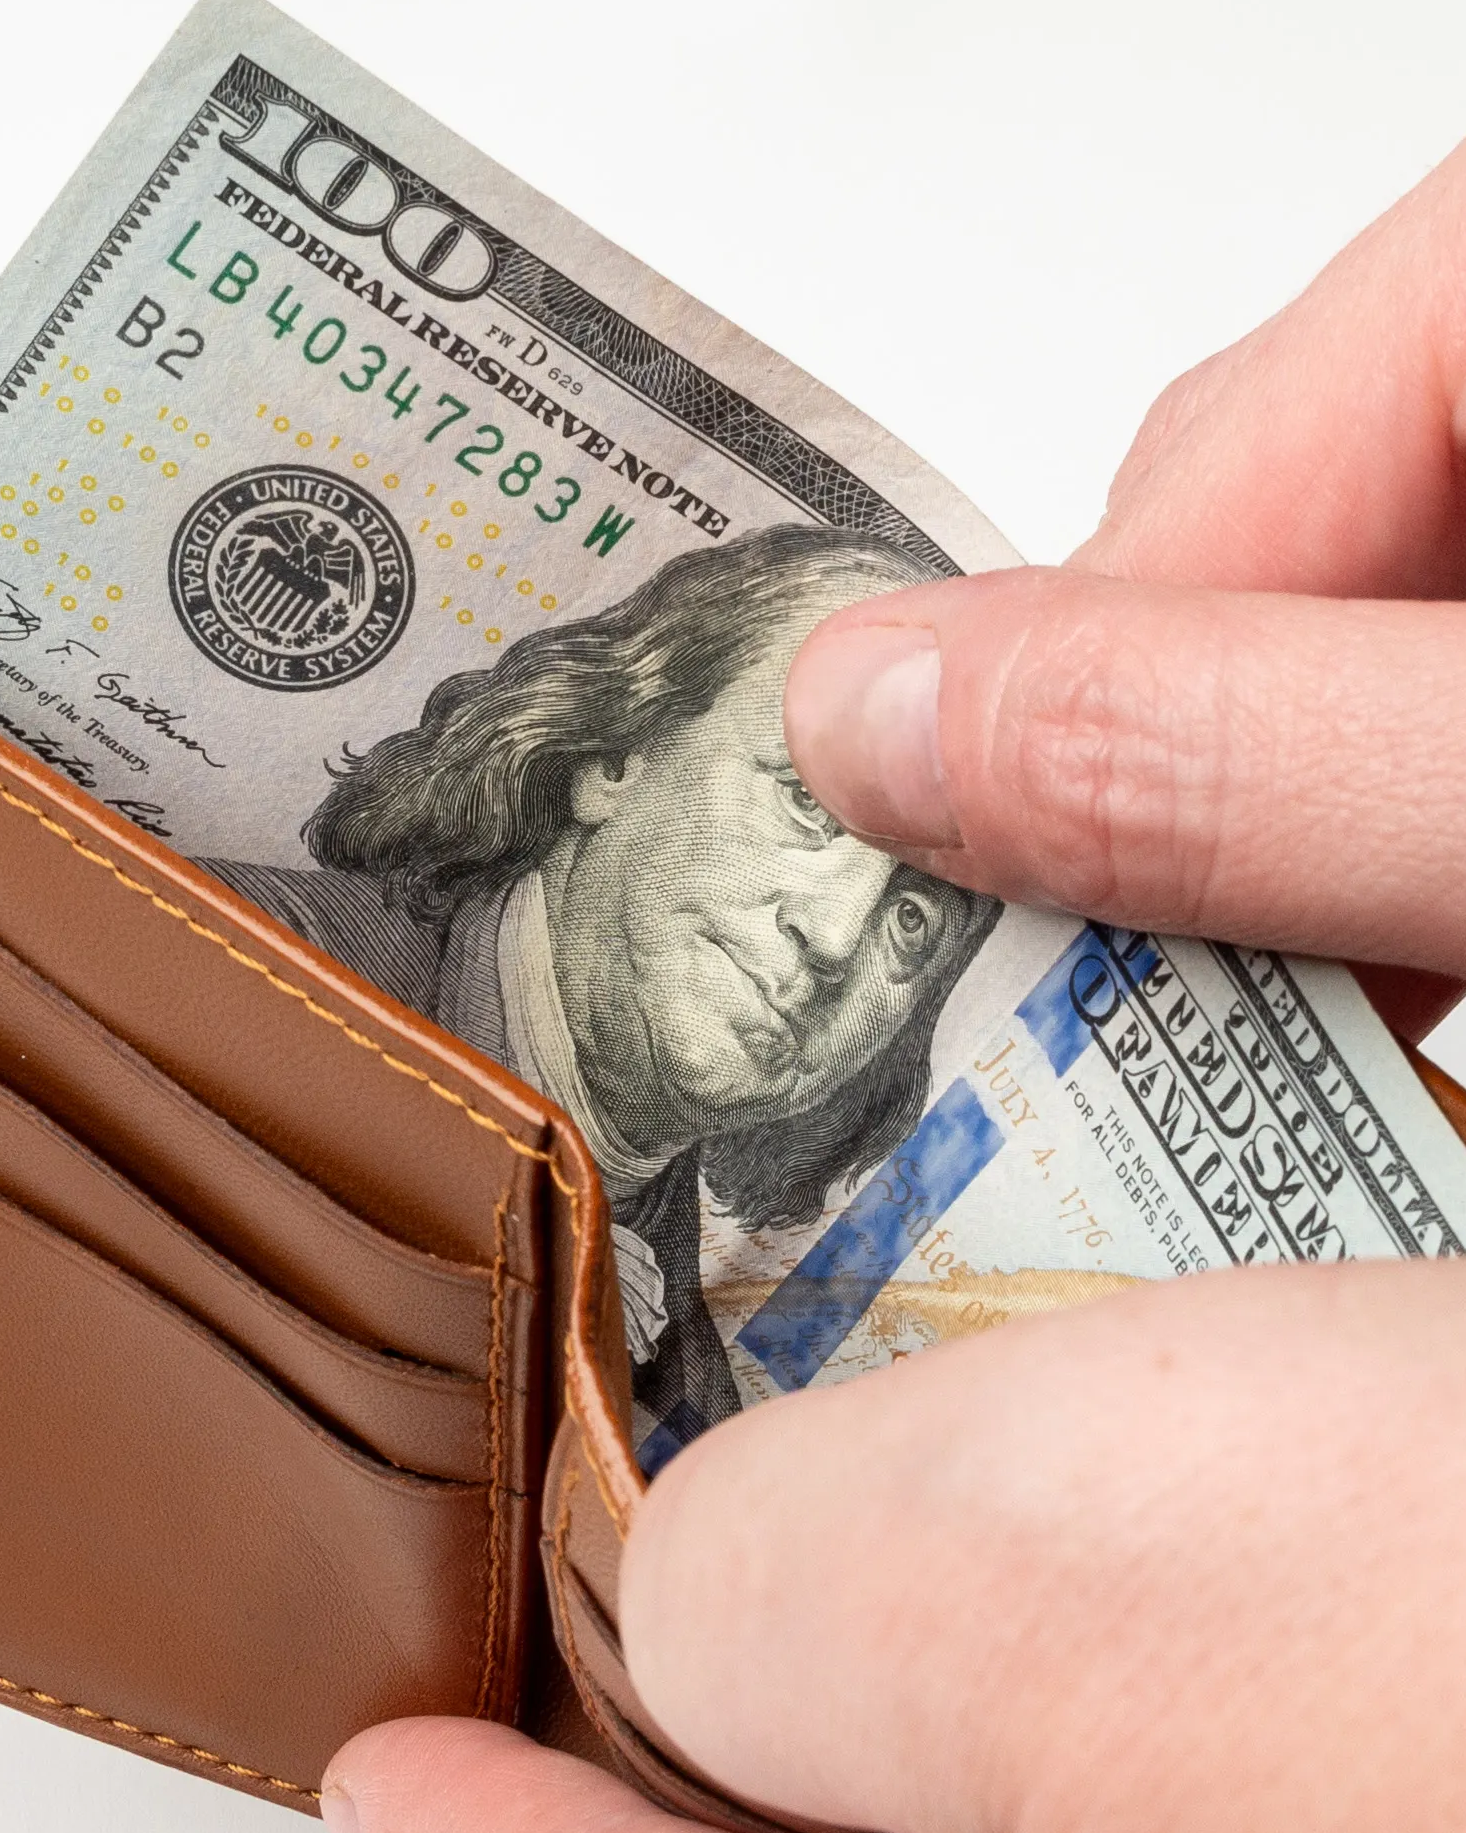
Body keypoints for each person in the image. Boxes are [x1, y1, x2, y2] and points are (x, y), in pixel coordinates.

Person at [320, 0, 1466, 1833]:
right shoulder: (295, 941)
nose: (841, 955)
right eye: (806, 814)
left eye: (913, 950)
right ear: (602, 752)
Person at [212, 524, 997, 1450]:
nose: (832, 938)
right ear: (614, 757)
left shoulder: (692, 1424)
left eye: (913, 923)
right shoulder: (222, 957)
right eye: (805, 802)